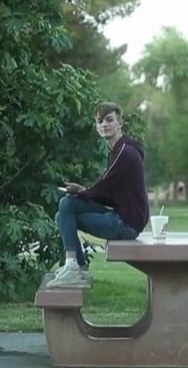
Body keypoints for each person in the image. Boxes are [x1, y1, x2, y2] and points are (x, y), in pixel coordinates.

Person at [46, 101, 148, 289]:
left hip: (126, 223)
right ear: (96, 127)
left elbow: (104, 186)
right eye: (100, 121)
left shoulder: (124, 151)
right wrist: (83, 191)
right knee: (66, 207)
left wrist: (83, 191)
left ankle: (73, 267)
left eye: (109, 120)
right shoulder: (118, 149)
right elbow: (108, 191)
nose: (104, 125)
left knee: (65, 210)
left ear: (120, 123)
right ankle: (77, 268)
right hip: (121, 216)